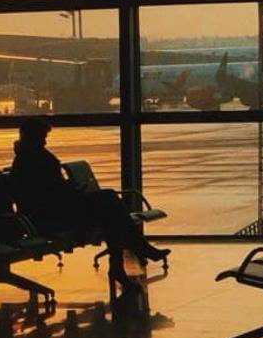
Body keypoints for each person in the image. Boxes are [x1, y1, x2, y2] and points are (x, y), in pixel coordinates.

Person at [9, 118, 169, 292]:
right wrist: (72, 192)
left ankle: (128, 259)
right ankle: (132, 255)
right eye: (42, 137)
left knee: (110, 210)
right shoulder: (32, 160)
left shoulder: (28, 158)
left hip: (56, 211)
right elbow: (46, 194)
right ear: (33, 137)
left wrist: (70, 191)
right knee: (110, 206)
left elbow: (46, 191)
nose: (45, 141)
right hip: (51, 218)